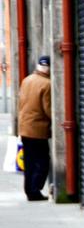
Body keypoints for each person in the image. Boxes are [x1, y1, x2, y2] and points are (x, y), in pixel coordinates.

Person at [18, 55, 51, 201]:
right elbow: (48, 109)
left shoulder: (26, 80)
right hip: (38, 129)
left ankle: (29, 191)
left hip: (24, 128)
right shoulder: (47, 84)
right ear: (49, 68)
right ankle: (35, 190)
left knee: (29, 161)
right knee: (42, 161)